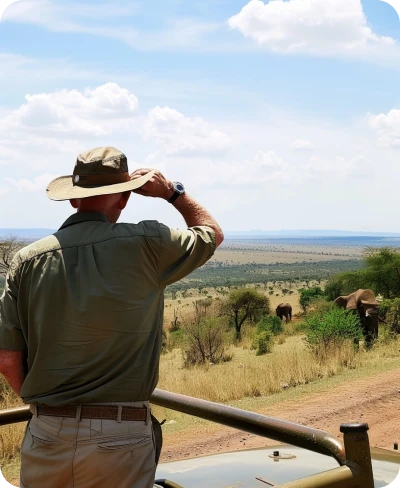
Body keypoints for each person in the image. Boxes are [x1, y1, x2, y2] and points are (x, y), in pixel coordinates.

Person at [0, 146, 223, 488]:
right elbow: (210, 232)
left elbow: (7, 358)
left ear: (73, 199)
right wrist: (172, 193)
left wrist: (44, 407)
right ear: (124, 198)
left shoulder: (26, 261)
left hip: (46, 432)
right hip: (120, 435)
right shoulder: (147, 243)